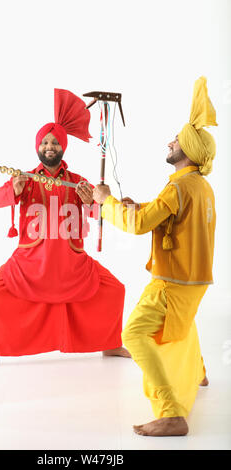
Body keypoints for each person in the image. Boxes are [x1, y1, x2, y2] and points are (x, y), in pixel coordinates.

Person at [0, 89, 129, 371]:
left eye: (55, 142)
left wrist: (95, 200)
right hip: (29, 264)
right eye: (45, 142)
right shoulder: (25, 179)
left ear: (63, 147)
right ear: (38, 147)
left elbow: (97, 213)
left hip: (72, 263)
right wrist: (12, 190)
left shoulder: (78, 182)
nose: (49, 146)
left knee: (114, 289)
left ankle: (110, 342)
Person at [93, 76, 217, 436]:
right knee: (184, 322)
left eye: (176, 140)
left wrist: (107, 203)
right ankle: (199, 371)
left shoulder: (179, 185)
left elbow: (140, 224)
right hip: (195, 282)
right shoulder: (201, 186)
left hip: (173, 282)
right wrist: (133, 204)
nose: (171, 142)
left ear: (188, 150)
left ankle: (170, 412)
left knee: (132, 334)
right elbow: (167, 216)